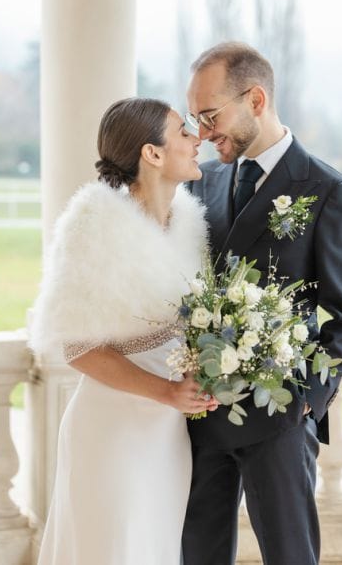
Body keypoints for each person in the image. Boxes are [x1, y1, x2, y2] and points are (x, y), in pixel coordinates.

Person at [181, 42, 342, 565]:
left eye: (210, 115)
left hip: (279, 419)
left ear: (256, 99)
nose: (202, 133)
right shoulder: (205, 183)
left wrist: (306, 403)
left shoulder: (329, 190)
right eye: (195, 119)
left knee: (290, 555)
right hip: (204, 414)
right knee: (197, 553)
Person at [29, 97, 213, 564]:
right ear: (152, 153)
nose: (197, 140)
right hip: (113, 429)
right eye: (184, 132)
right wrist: (167, 392)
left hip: (167, 434)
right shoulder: (93, 225)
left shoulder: (188, 222)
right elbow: (78, 347)